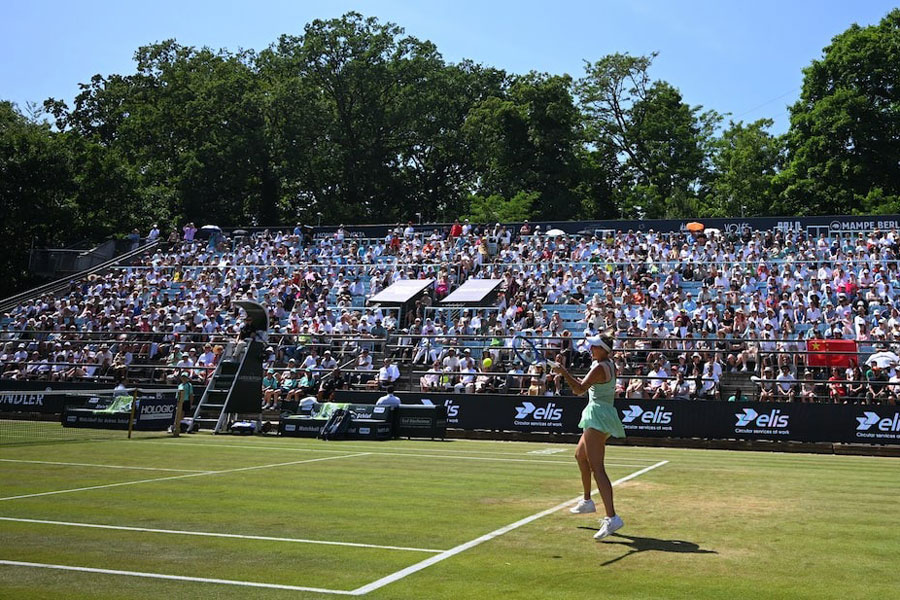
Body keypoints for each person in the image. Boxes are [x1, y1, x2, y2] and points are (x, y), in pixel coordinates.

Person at [552, 332, 626, 541]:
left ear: (604, 349)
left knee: (597, 468)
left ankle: (612, 517)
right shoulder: (609, 364)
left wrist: (563, 372)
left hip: (598, 415)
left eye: (594, 347)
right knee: (580, 456)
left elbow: (578, 390)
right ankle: (587, 501)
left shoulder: (600, 367)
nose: (591, 349)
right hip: (602, 413)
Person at [173, 371, 193, 437]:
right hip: (179, 401)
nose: (184, 379)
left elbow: (191, 395)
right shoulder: (180, 385)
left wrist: (190, 403)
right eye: (183, 377)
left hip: (185, 401)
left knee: (182, 414)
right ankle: (176, 427)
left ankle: (179, 427)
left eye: (185, 377)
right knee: (177, 414)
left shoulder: (189, 385)